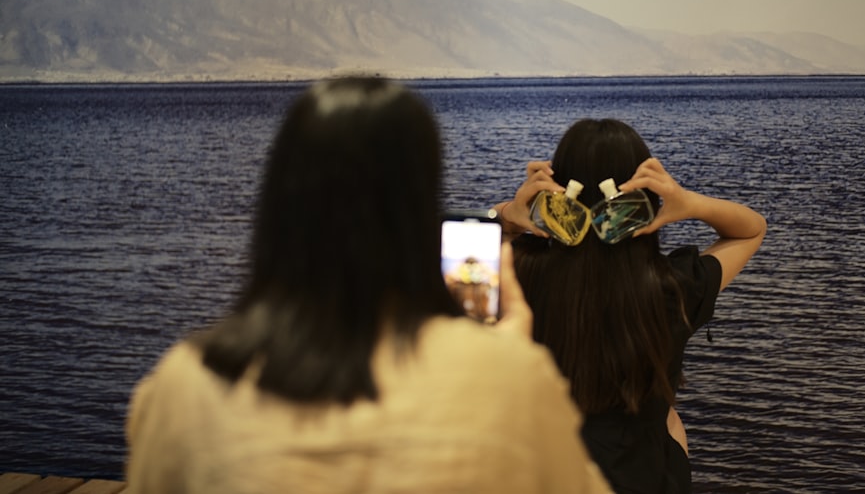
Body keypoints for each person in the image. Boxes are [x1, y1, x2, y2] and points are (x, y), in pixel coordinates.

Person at [125, 77, 611, 493]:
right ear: (419, 205)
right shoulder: (509, 378)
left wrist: (501, 218)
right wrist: (510, 355)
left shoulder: (184, 386)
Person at [494, 118, 767, 494]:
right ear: (640, 199)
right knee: (668, 419)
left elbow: (451, 249)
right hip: (643, 480)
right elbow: (751, 228)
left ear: (557, 194)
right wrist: (688, 202)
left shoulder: (516, 275)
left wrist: (510, 215)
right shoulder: (673, 287)